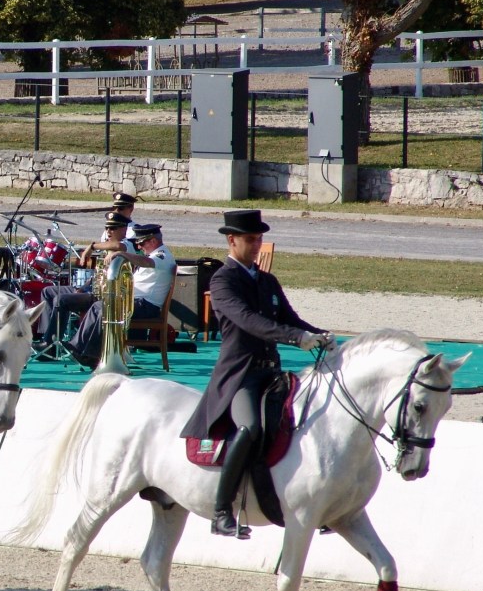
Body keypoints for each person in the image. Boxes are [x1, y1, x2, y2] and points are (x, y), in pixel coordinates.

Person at [180, 210, 334, 539]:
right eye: (250, 239)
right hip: (241, 377)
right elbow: (249, 321)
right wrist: (296, 338)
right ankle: (222, 511)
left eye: (259, 239)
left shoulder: (267, 281)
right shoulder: (222, 281)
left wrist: (319, 334)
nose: (256, 245)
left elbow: (291, 318)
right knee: (249, 428)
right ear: (232, 240)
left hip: (272, 373)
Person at [67, 222, 178, 364]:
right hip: (138, 303)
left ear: (153, 241)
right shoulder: (155, 254)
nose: (138, 247)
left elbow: (147, 262)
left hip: (146, 306)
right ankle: (81, 348)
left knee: (103, 308)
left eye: (142, 243)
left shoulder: (162, 256)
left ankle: (89, 353)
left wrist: (123, 254)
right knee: (98, 306)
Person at [35, 211, 131, 353]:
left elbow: (119, 246)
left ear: (123, 229)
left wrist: (91, 247)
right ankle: (48, 338)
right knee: (48, 292)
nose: (108, 231)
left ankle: (51, 346)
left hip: (105, 296)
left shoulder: (128, 244)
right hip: (92, 289)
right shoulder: (109, 247)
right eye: (107, 228)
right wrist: (84, 287)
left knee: (61, 300)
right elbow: (98, 275)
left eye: (113, 228)